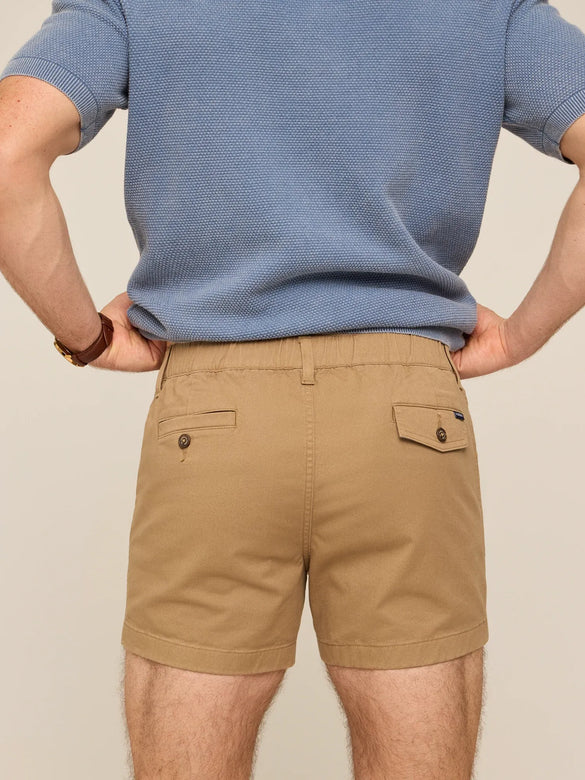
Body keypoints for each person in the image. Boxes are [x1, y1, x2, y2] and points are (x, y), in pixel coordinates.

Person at [1, 1, 585, 777]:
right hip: (406, 416)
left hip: (213, 412)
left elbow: (8, 151)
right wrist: (522, 334)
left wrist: (89, 337)